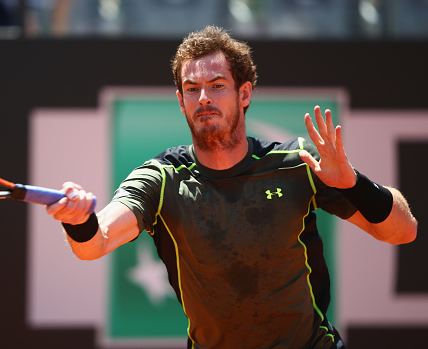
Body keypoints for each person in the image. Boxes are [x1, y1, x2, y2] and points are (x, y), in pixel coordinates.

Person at [46, 26, 417, 349]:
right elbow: (98, 242)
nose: (203, 97)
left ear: (244, 94)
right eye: (192, 89)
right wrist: (79, 220)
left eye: (217, 86)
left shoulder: (298, 164)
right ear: (181, 102)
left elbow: (403, 231)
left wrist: (353, 183)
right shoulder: (161, 178)